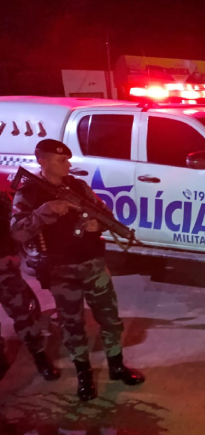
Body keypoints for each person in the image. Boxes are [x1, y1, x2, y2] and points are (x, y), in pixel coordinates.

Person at [10, 139, 144, 401]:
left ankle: (116, 366)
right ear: (43, 161)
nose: (68, 164)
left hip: (92, 264)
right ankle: (84, 375)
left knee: (110, 319)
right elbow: (18, 231)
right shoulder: (29, 193)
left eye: (68, 159)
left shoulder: (77, 186)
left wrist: (98, 226)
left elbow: (102, 212)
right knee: (72, 326)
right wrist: (45, 212)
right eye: (61, 160)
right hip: (60, 269)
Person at [0, 191, 60, 382]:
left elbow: (16, 230)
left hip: (3, 267)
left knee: (23, 314)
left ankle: (40, 357)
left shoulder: (2, 198)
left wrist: (16, 255)